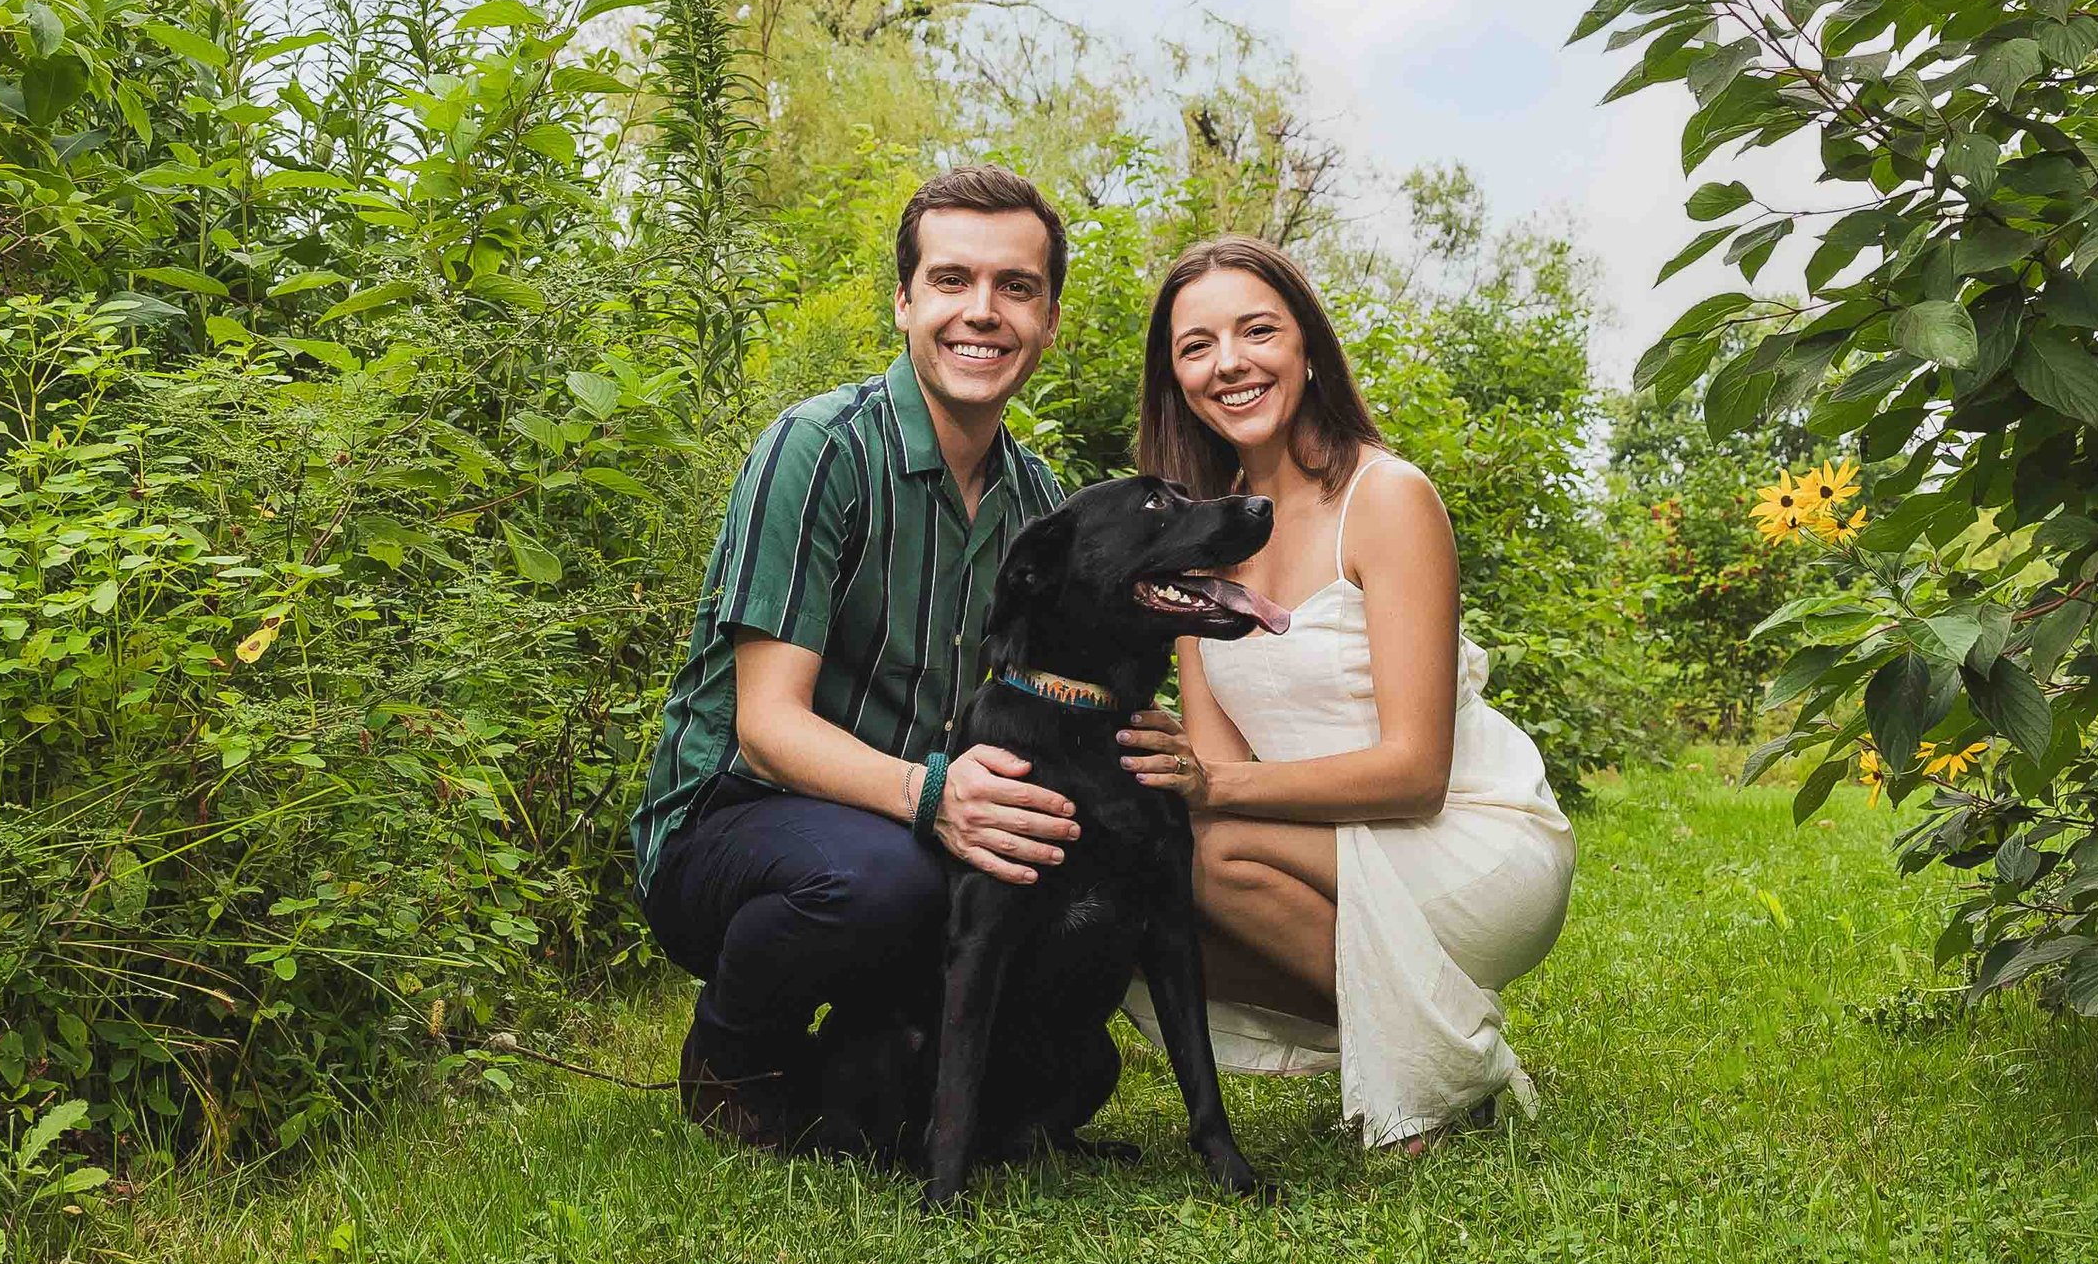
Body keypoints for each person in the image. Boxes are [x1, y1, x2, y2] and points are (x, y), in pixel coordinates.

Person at [631, 164, 1078, 1151]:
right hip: (732, 824)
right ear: (905, 300)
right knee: (882, 885)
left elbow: (1050, 698)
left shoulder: (1038, 500)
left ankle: (863, 1061)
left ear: (1048, 320)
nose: (983, 313)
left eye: (1016, 287)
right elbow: (767, 727)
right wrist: (938, 800)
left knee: (1057, 1004)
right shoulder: (820, 449)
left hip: (903, 825)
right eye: (952, 281)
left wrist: (1143, 739)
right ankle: (734, 1049)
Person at [1117, 236, 1574, 1151]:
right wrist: (1168, 770)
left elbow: (1415, 776)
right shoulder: (1201, 542)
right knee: (1139, 884)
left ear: (1309, 345)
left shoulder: (1388, 497)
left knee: (1212, 855)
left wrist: (1209, 791)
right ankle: (1440, 1045)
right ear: (1175, 380)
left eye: (1258, 331)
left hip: (1469, 839)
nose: (1230, 363)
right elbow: (1214, 766)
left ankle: (1444, 1070)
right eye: (1196, 346)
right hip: (1333, 845)